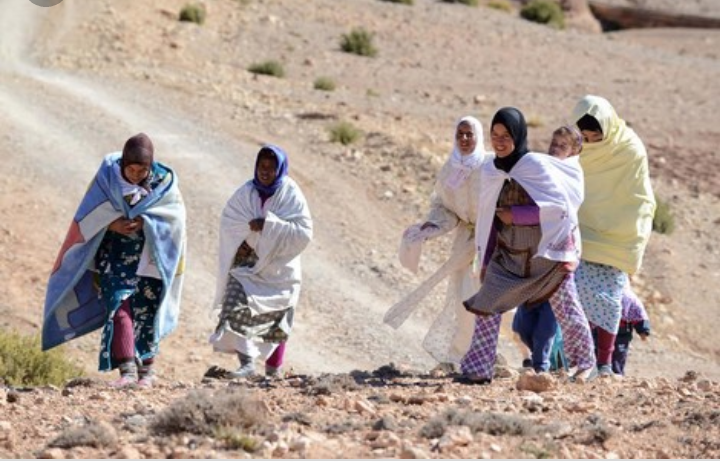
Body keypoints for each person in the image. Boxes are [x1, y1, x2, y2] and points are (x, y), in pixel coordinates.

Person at [459, 107, 596, 384]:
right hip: (508, 255)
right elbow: (486, 216)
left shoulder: (534, 165)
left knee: (566, 308)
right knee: (487, 304)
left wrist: (517, 215)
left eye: (506, 135)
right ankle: (478, 369)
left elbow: (560, 209)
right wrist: (485, 260)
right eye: (494, 135)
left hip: (547, 255)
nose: (499, 140)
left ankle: (584, 364)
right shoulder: (490, 169)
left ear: (518, 135)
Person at [42, 133, 187, 388]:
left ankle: (147, 373)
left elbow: (175, 219)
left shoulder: (164, 184)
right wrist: (112, 224)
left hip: (149, 260)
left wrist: (146, 222)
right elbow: (87, 214)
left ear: (149, 167)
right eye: (130, 169)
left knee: (147, 311)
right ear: (122, 165)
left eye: (141, 170)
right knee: (120, 308)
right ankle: (127, 371)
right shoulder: (107, 179)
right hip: (113, 258)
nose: (134, 175)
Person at [383, 116, 488, 372]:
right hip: (465, 243)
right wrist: (430, 228)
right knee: (464, 299)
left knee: (497, 302)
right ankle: (463, 357)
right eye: (460, 134)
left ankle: (522, 356)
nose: (464, 139)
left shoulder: (491, 165)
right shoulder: (450, 169)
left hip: (492, 240)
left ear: (478, 136)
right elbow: (444, 208)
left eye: (469, 134)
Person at [570, 95, 656, 376]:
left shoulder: (629, 149)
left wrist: (627, 228)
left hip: (617, 238)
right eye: (585, 136)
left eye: (596, 135)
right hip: (583, 233)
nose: (591, 141)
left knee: (610, 299)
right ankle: (578, 363)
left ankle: (605, 367)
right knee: (573, 294)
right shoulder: (578, 149)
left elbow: (638, 197)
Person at [209, 145, 312, 378]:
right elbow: (230, 220)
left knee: (278, 315)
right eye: (261, 166)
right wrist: (246, 237)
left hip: (279, 266)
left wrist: (268, 225)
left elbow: (303, 233)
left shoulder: (290, 194)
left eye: (271, 167)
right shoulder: (246, 192)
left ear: (280, 169)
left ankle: (273, 371)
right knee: (234, 304)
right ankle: (246, 364)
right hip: (247, 263)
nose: (265, 172)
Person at [511, 125, 583, 373]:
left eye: (562, 146)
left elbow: (560, 208)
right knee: (522, 324)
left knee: (547, 320)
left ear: (574, 151)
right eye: (553, 144)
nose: (555, 149)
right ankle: (549, 360)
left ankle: (541, 367)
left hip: (559, 255)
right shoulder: (541, 168)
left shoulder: (572, 174)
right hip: (534, 253)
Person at [592, 285, 650, 376]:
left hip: (621, 334)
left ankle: (616, 375)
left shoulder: (628, 296)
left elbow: (638, 312)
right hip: (601, 328)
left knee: (618, 356)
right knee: (598, 352)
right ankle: (598, 375)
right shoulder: (599, 291)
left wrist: (643, 330)